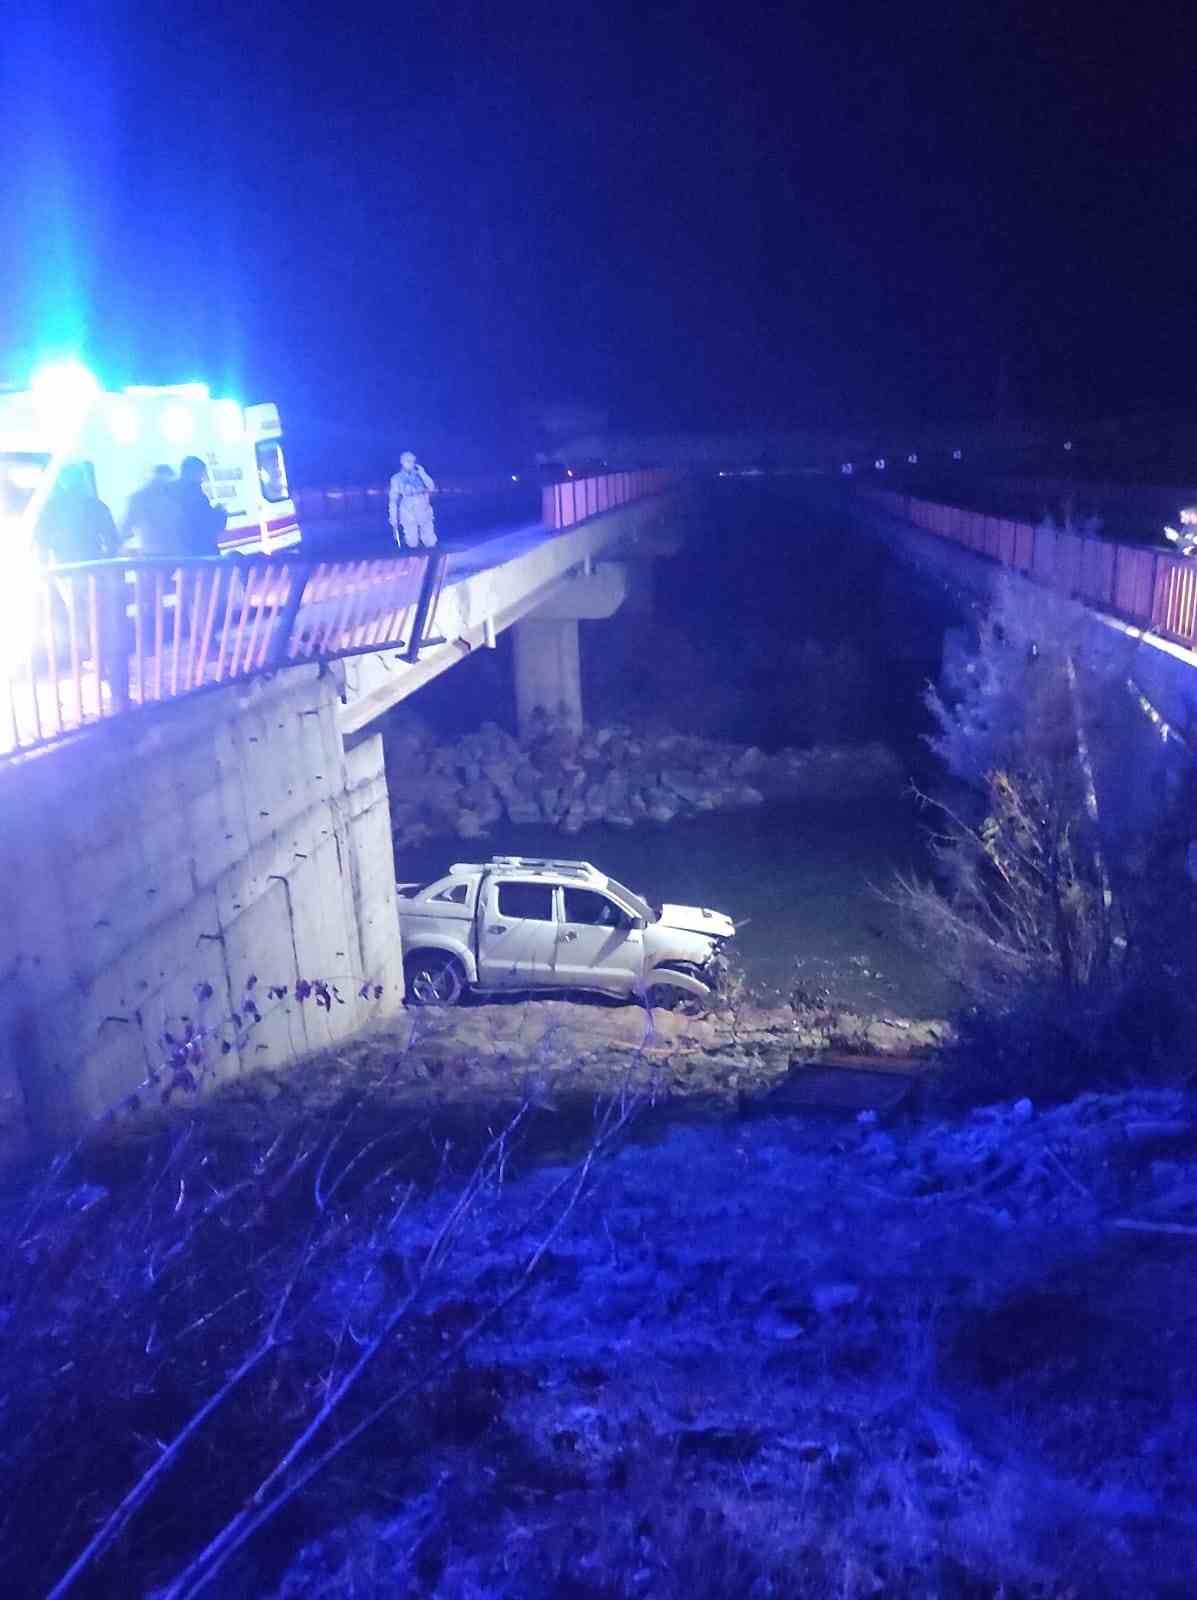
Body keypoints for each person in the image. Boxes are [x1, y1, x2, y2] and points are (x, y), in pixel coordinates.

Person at [34, 462, 119, 565]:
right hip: (91, 567)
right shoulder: (96, 506)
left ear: (62, 482)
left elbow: (42, 542)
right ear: (82, 479)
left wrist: (47, 573)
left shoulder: (50, 508)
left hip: (66, 568)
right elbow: (113, 540)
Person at [173, 455, 228, 557]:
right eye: (201, 473)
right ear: (193, 472)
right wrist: (220, 512)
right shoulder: (194, 493)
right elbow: (206, 523)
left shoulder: (174, 491)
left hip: (182, 552)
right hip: (201, 550)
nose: (202, 478)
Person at [119, 464, 179, 555]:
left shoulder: (137, 498)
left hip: (150, 552)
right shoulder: (175, 496)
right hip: (176, 553)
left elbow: (124, 528)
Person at [388, 450, 438, 548]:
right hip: (408, 510)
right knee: (412, 542)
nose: (411, 463)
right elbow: (393, 499)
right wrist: (393, 518)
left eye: (413, 461)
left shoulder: (420, 474)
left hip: (423, 507)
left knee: (430, 540)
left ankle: (432, 558)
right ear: (402, 462)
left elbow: (431, 487)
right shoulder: (396, 478)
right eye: (408, 461)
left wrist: (423, 474)